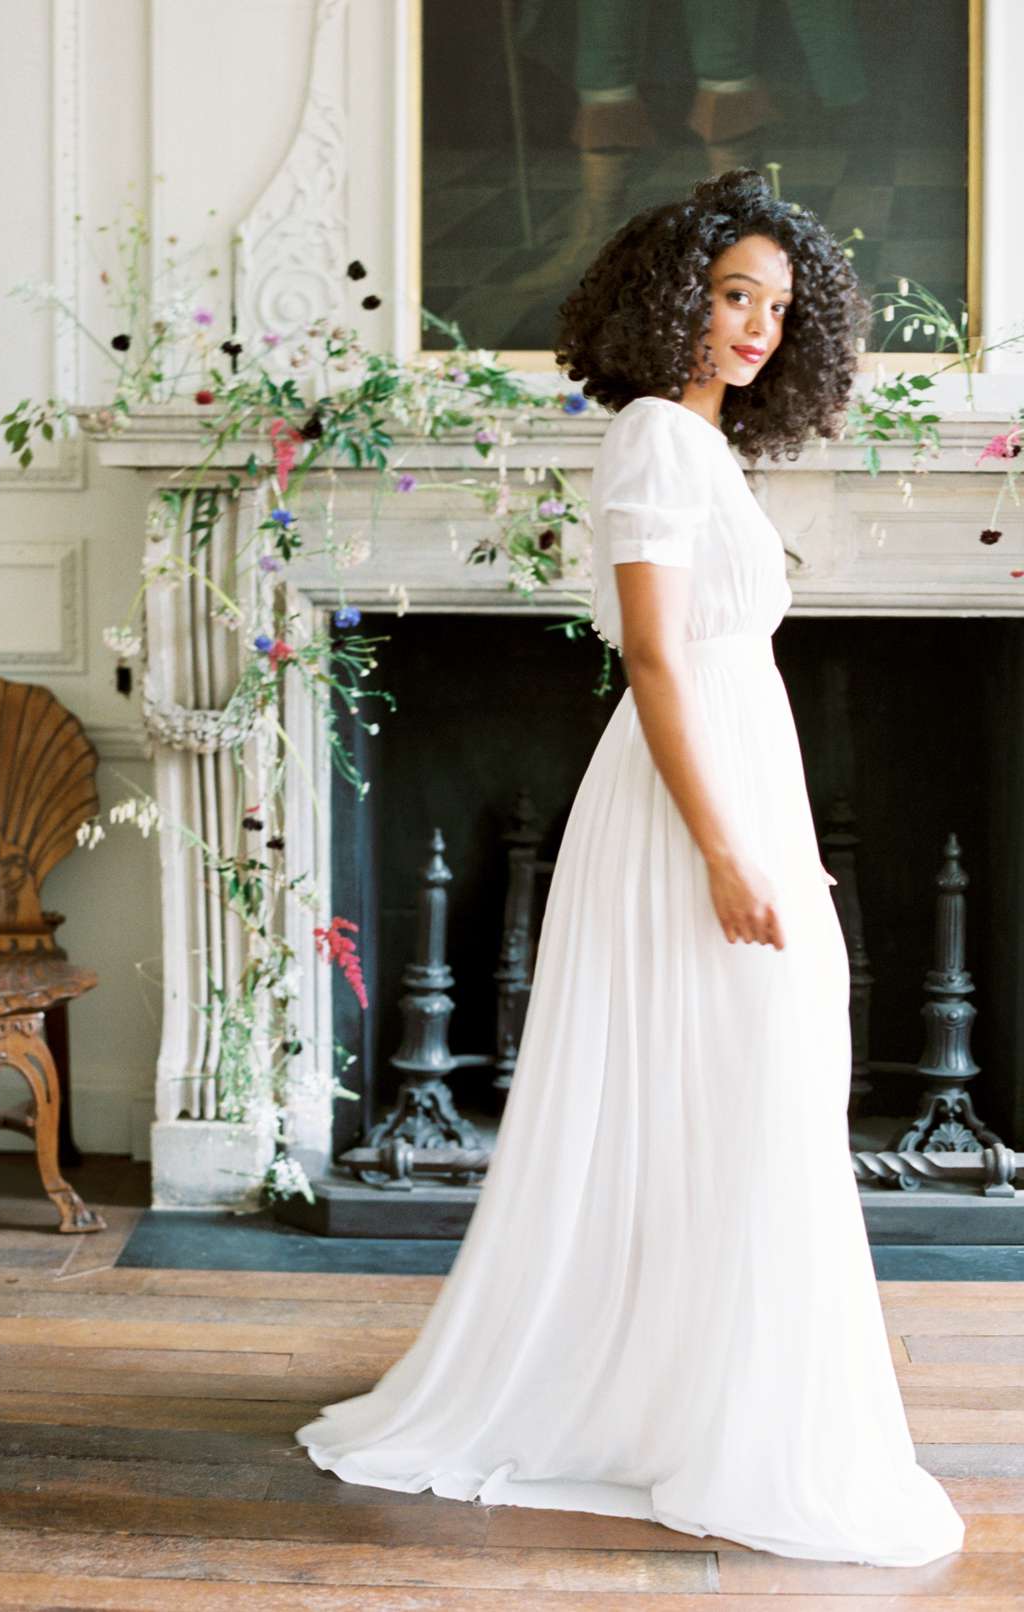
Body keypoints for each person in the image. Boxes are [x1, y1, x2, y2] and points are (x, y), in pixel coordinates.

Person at [295, 168, 967, 1568]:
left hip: (732, 784)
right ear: (676, 295)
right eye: (735, 295)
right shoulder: (658, 438)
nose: (757, 327)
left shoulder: (707, 449)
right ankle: (698, 1408)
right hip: (683, 807)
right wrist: (727, 849)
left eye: (780, 308)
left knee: (748, 1093)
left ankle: (694, 1391)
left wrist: (765, 832)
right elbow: (656, 657)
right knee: (742, 1081)